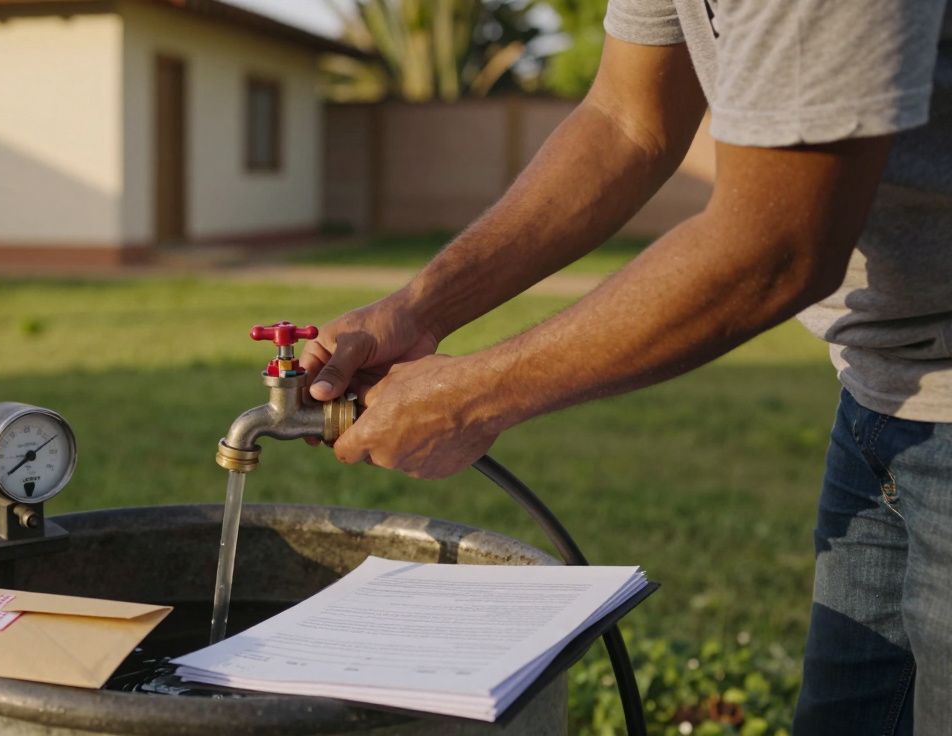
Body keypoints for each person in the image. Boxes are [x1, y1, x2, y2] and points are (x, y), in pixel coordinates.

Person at [301, 2, 952, 733]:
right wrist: (420, 310)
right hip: (880, 390)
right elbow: (627, 121)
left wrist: (469, 399)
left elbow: (776, 247)